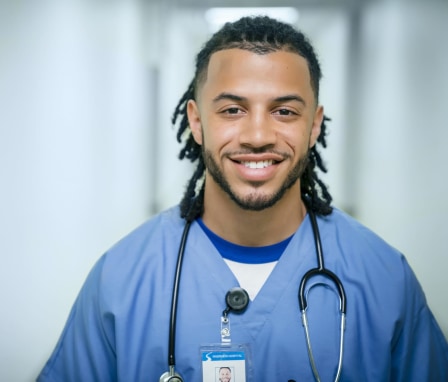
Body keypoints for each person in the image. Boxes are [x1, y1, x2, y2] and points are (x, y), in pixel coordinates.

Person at [37, 16, 448, 382]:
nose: (257, 136)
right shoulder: (120, 279)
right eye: (232, 110)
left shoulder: (384, 278)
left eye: (284, 111)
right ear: (196, 122)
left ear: (314, 126)